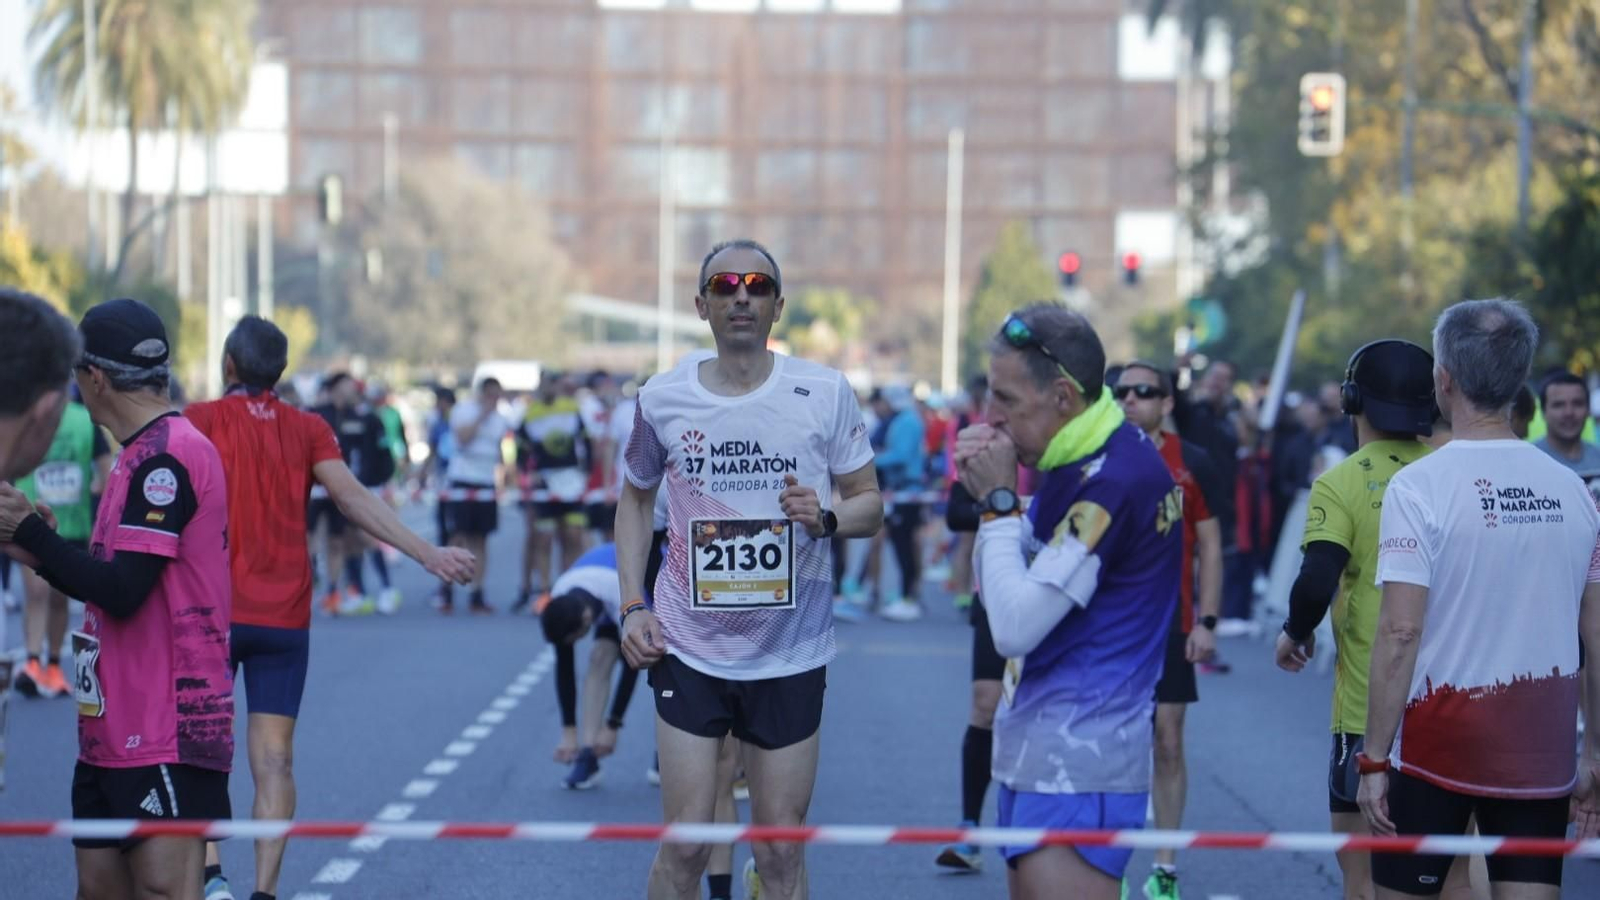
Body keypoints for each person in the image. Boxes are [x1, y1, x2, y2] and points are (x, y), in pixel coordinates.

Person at [615, 239, 882, 900]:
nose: (742, 295)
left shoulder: (823, 392)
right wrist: (631, 604)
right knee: (685, 847)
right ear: (701, 304)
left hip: (790, 653)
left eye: (757, 285)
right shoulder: (663, 396)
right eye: (726, 284)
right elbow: (634, 498)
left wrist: (823, 517)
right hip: (689, 648)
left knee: (779, 853)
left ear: (777, 306)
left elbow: (870, 505)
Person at [185, 317, 475, 900]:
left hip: (211, 615)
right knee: (275, 762)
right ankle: (265, 891)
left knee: (201, 756)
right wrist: (427, 554)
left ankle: (212, 877)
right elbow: (351, 498)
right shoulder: (307, 427)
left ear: (229, 366)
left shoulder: (199, 421)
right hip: (282, 617)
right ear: (282, 371)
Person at [1359, 299, 1600, 899]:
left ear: (1445, 380)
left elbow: (1399, 633)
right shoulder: (1575, 491)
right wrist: (1593, 751)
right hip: (1540, 751)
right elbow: (1595, 633)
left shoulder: (1417, 487)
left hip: (1436, 747)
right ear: (1521, 383)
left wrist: (1372, 759)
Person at [0, 298, 234, 900]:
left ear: (93, 379)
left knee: (164, 892)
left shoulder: (168, 456)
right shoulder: (137, 450)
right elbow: (108, 576)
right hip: (110, 724)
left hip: (164, 726)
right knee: (99, 891)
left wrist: (31, 537)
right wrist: (39, 545)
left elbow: (124, 591)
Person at [956, 304, 1180, 900]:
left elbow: (1014, 625)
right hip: (1044, 755)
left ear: (1061, 395)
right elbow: (1013, 578)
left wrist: (1000, 503)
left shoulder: (1112, 480)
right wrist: (995, 504)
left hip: (1079, 767)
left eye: (1005, 400)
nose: (990, 418)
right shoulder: (1076, 454)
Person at [1274, 339, 1437, 900]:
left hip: (1368, 708)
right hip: (1454, 702)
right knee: (1460, 873)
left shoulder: (1342, 481)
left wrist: (1295, 634)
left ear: (1350, 400)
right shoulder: (1452, 475)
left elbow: (1317, 577)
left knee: (1362, 875)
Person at [1111, 361, 1223, 900]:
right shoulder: (1101, 455)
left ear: (1167, 402)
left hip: (1173, 626)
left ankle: (1165, 868)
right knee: (1115, 747)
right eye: (1121, 391)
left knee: (1168, 742)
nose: (1130, 399)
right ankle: (1109, 865)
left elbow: (1211, 546)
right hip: (1110, 630)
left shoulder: (1192, 462)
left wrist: (1207, 620)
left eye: (1144, 391)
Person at [12, 399, 111, 699]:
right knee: (46, 596)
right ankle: (38, 663)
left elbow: (106, 473)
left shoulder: (36, 414)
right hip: (48, 521)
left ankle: (46, 665)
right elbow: (106, 477)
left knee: (49, 597)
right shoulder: (79, 418)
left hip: (53, 523)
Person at [540, 542, 643, 790]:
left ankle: (664, 754)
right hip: (599, 584)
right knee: (600, 656)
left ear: (587, 620)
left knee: (659, 662)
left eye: (577, 638)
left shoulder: (618, 595)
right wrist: (569, 732)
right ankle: (588, 755)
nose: (576, 643)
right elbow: (564, 667)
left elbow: (634, 664)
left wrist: (613, 725)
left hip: (635, 584)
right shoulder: (561, 594)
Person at [309, 373, 396, 615]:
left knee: (365, 536)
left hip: (354, 489)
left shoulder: (365, 417)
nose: (353, 389)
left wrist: (375, 483)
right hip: (319, 491)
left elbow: (378, 454)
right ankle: (348, 591)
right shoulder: (316, 413)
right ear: (335, 387)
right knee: (338, 542)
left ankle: (388, 589)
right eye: (348, 385)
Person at [514, 374, 592, 612]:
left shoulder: (571, 408)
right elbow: (520, 449)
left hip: (571, 480)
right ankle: (545, 591)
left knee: (573, 535)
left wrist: (586, 472)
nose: (548, 389)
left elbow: (586, 441)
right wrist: (527, 476)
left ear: (558, 387)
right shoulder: (530, 413)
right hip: (545, 481)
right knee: (544, 539)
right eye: (544, 385)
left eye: (552, 385)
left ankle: (568, 588)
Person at [441, 377, 510, 613]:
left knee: (481, 539)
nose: (494, 400)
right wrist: (482, 415)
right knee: (458, 535)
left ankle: (477, 593)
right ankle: (446, 590)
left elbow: (500, 449)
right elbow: (462, 438)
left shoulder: (501, 419)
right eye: (490, 394)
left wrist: (504, 477)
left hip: (485, 481)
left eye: (497, 395)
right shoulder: (463, 410)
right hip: (462, 478)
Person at [1533, 371, 1600, 475]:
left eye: (1577, 403)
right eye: (1558, 405)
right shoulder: (1529, 461)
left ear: (1588, 410)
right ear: (1543, 412)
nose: (1569, 413)